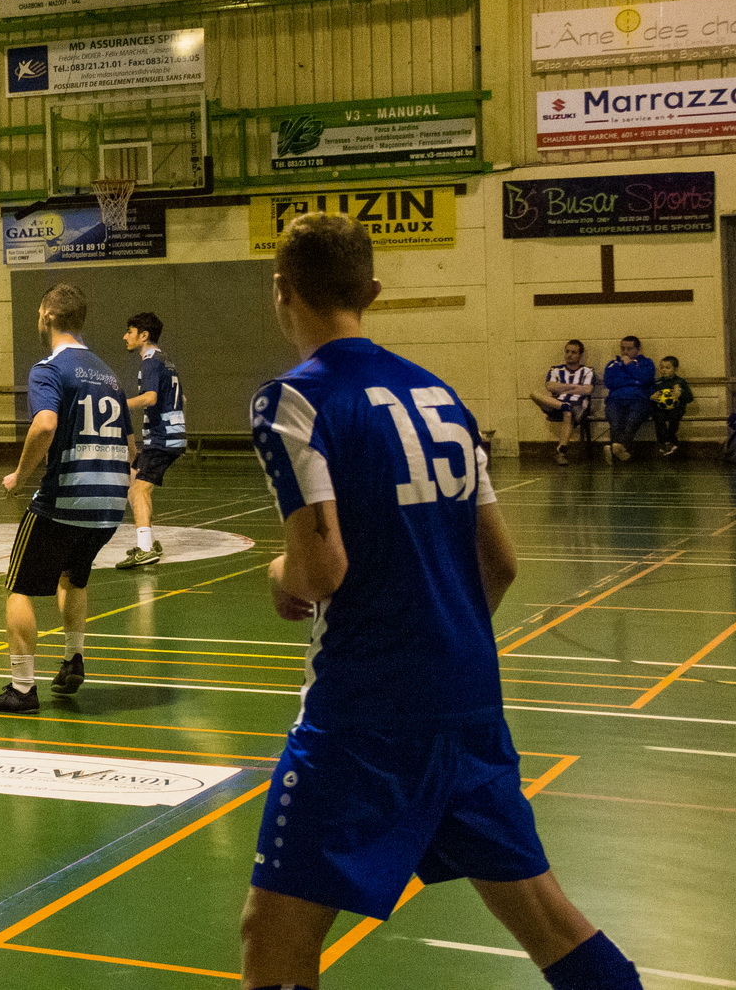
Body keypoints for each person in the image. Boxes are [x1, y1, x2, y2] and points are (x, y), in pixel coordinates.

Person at [244, 213, 640, 990]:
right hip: (468, 701)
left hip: (362, 715)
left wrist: (278, 574)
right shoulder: (442, 397)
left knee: (276, 934)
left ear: (282, 290)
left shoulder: (293, 400)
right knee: (548, 917)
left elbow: (320, 569)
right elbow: (502, 562)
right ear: (373, 291)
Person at [0, 283, 131, 714]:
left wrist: (19, 476)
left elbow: (45, 425)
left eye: (38, 313)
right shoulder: (108, 373)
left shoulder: (49, 369)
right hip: (110, 505)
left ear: (48, 316)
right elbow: (129, 443)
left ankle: (22, 688)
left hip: (66, 498)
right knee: (74, 576)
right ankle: (73, 659)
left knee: (19, 587)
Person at [121, 311, 185, 569]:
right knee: (133, 482)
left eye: (129, 331)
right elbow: (181, 398)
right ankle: (149, 541)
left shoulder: (150, 361)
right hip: (166, 435)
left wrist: (118, 405)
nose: (125, 336)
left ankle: (145, 549)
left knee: (140, 489)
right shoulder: (165, 360)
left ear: (144, 335)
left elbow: (150, 398)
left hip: (162, 438)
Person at [528, 340, 594, 465]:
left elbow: (587, 389)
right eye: (567, 351)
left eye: (573, 352)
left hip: (576, 406)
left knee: (568, 413)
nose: (569, 355)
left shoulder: (587, 371)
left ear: (580, 355)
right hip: (556, 404)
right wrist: (573, 386)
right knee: (534, 394)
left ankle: (561, 452)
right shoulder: (556, 369)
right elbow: (550, 386)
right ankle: (563, 406)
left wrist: (561, 387)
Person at [602, 336, 655, 464]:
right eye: (622, 348)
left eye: (629, 349)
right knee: (615, 423)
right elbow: (609, 382)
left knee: (631, 422)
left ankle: (614, 451)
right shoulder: (613, 364)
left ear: (638, 349)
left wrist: (630, 365)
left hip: (638, 399)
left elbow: (646, 378)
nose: (625, 352)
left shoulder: (646, 363)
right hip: (615, 399)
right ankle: (619, 451)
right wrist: (634, 381)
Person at [650, 356, 694, 457]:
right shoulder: (657, 382)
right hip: (660, 409)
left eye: (667, 368)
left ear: (675, 369)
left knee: (674, 418)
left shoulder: (680, 382)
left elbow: (690, 398)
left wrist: (681, 394)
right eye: (662, 367)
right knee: (658, 418)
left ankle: (671, 439)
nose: (664, 370)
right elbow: (651, 397)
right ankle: (664, 442)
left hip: (676, 408)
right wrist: (652, 397)